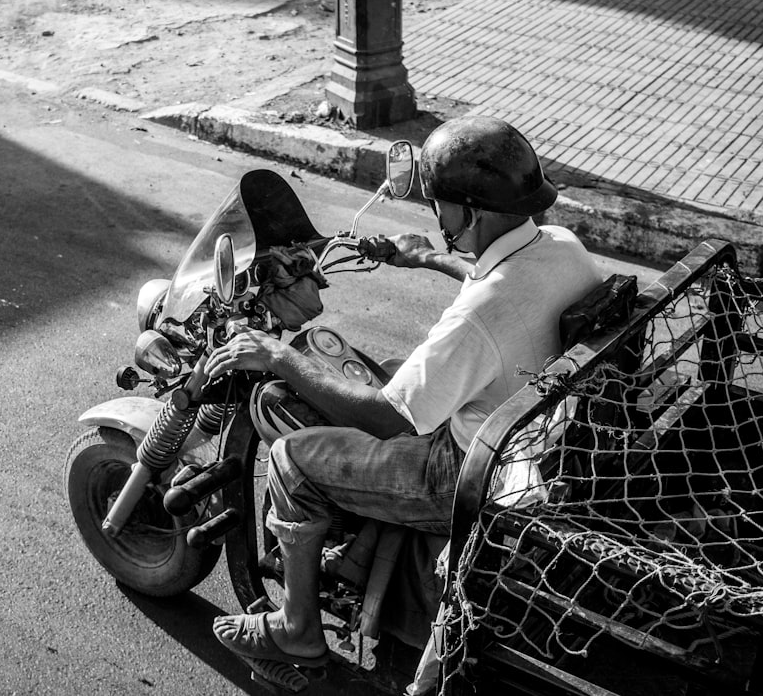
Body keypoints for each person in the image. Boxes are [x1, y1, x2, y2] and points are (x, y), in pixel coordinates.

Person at [204, 116, 603, 673]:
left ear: (469, 211)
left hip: (465, 470)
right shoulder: (560, 246)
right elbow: (501, 281)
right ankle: (357, 549)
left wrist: (278, 356)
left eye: (439, 203)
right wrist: (430, 256)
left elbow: (391, 417)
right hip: (533, 428)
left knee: (290, 459)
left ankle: (297, 629)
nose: (436, 215)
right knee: (391, 367)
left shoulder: (478, 317)